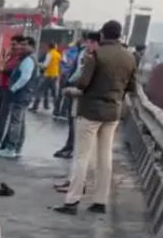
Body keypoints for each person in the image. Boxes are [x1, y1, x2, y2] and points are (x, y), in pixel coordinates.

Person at [53, 20, 137, 215]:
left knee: (82, 156)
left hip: (90, 111)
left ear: (102, 35)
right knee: (104, 156)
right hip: (113, 111)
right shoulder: (129, 57)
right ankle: (100, 201)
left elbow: (82, 84)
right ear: (120, 35)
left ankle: (72, 201)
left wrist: (72, 91)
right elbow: (131, 87)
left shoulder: (96, 56)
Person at [54, 31, 98, 160]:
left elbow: (80, 71)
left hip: (79, 89)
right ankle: (69, 146)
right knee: (71, 119)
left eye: (86, 41)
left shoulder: (91, 55)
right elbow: (75, 67)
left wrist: (70, 82)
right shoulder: (81, 52)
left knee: (76, 121)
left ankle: (72, 148)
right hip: (73, 86)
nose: (84, 43)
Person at [0, 37, 38, 159]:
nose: (21, 47)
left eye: (24, 45)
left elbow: (25, 77)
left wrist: (13, 88)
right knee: (20, 121)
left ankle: (10, 148)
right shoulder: (27, 58)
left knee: (15, 121)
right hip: (24, 94)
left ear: (31, 46)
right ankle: (16, 147)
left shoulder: (28, 60)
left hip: (21, 94)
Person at [0, 41, 25, 152]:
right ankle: (3, 142)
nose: (12, 47)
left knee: (4, 118)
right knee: (1, 117)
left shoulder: (18, 61)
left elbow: (10, 71)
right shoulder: (10, 58)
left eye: (15, 45)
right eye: (12, 45)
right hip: (3, 87)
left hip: (8, 90)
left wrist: (3, 69)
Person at [30, 42, 60, 111]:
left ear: (49, 47)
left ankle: (35, 107)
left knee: (40, 90)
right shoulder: (58, 54)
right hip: (55, 75)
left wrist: (38, 64)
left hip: (48, 75)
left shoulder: (50, 54)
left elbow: (45, 65)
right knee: (55, 93)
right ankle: (57, 109)